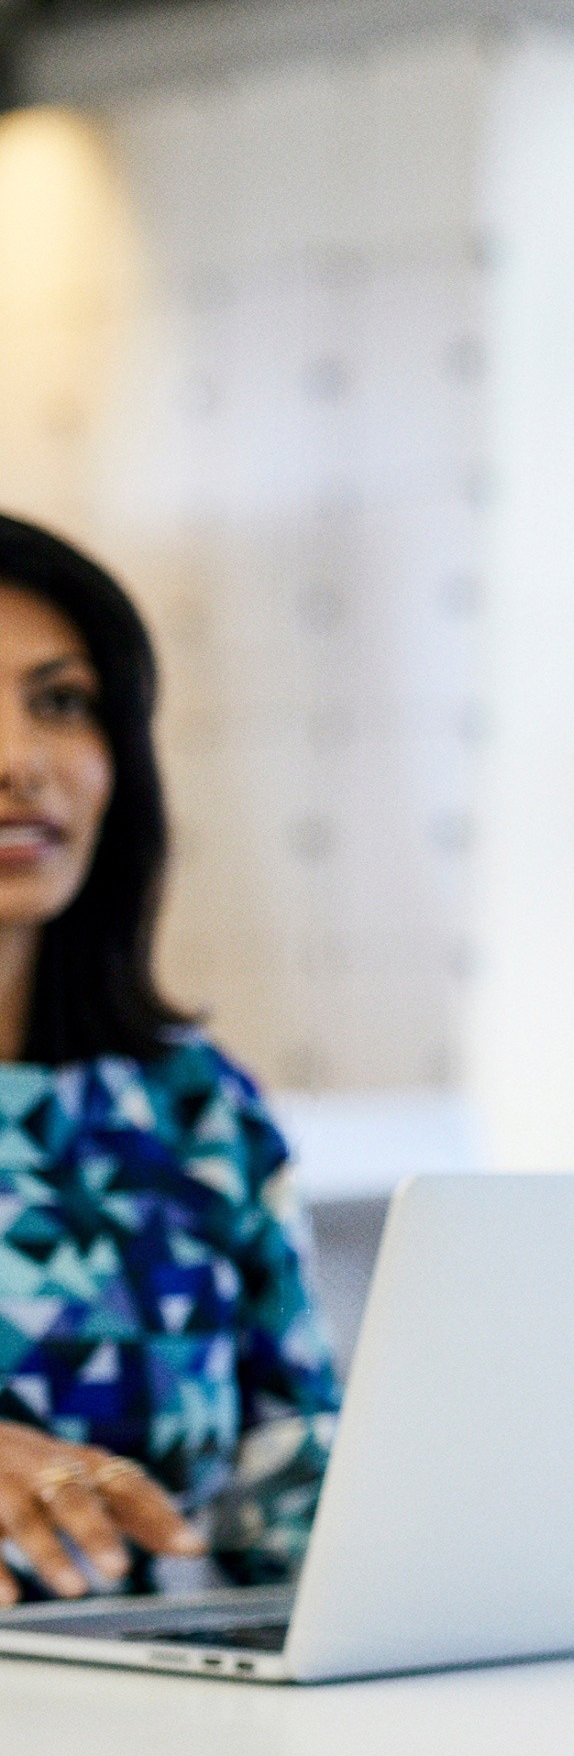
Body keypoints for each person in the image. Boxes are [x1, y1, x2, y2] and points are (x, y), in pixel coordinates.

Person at [0, 515, 338, 1605]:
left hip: (184, 1736)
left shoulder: (193, 1107)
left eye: (61, 701)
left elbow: (295, 1476)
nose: (21, 760)